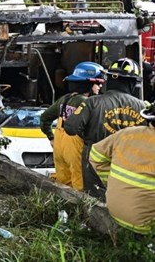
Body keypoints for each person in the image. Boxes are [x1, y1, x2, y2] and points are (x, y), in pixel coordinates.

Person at [65, 57, 147, 200]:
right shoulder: (144, 108)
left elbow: (71, 128)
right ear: (133, 83)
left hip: (94, 162)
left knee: (95, 201)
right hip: (130, 162)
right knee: (125, 201)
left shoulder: (92, 102)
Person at [39, 62, 105, 192]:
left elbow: (44, 118)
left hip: (59, 147)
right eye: (97, 84)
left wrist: (51, 138)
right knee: (79, 190)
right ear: (88, 84)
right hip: (75, 150)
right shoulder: (87, 103)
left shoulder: (64, 99)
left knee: (62, 187)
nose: (100, 87)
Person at [89, 103, 155, 234]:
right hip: (147, 226)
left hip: (116, 213)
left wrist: (112, 182)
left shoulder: (126, 133)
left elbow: (96, 155)